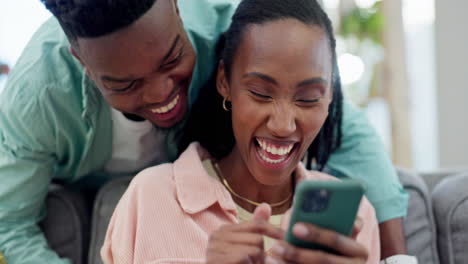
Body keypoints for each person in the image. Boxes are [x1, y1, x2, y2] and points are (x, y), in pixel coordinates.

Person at [0, 0, 407, 263]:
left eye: (172, 59)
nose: (163, 95)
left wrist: (396, 259)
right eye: (125, 84)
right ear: (82, 63)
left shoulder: (227, 34)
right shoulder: (39, 95)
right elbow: (10, 227)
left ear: (176, 9)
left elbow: (329, 112)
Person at [101, 1, 380, 263]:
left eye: (307, 98)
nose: (282, 125)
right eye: (260, 93)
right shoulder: (151, 197)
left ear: (330, 97)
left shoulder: (354, 217)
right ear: (225, 82)